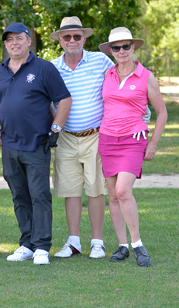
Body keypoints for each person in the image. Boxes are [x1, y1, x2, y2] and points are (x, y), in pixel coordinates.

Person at [0, 22, 72, 265]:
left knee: (39, 195)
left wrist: (55, 127)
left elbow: (64, 99)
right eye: (10, 40)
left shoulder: (43, 69)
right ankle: (26, 243)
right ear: (5, 44)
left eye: (19, 38)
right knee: (20, 196)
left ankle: (42, 247)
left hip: (36, 144)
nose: (15, 43)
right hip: (9, 146)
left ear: (28, 41)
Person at [98, 27, 167, 267]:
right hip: (107, 139)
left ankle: (137, 244)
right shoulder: (107, 74)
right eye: (116, 48)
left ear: (133, 47)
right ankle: (122, 246)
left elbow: (162, 113)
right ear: (111, 51)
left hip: (133, 140)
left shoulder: (146, 76)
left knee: (123, 191)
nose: (121, 51)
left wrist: (153, 144)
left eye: (125, 46)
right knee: (113, 197)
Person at [49, 16, 114, 260]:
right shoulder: (52, 67)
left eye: (77, 36)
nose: (73, 40)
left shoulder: (100, 61)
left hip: (96, 135)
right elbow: (45, 101)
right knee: (70, 189)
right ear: (60, 41)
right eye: (67, 37)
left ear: (84, 39)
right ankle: (74, 241)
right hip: (65, 136)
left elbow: (117, 87)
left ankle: (97, 242)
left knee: (96, 188)